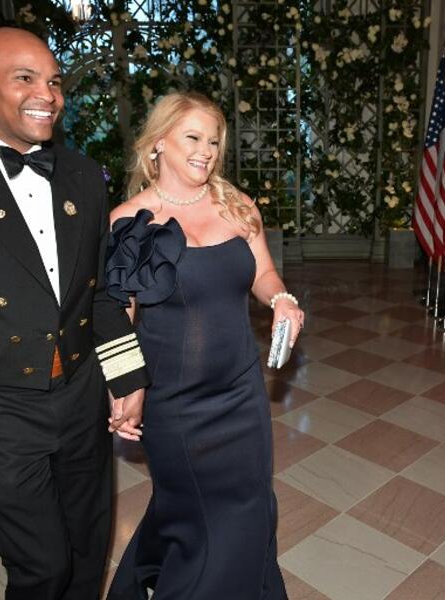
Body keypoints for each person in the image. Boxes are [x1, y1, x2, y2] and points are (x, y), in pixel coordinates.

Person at [0, 28, 150, 599]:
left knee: (88, 552)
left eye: (55, 80)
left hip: (81, 395)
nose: (48, 94)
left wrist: (127, 375)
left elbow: (101, 293)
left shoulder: (85, 175)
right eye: (26, 78)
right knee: (42, 567)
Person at [105, 91, 301, 599]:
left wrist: (281, 298)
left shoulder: (236, 205)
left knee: (248, 502)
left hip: (240, 393)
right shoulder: (130, 219)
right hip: (172, 402)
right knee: (199, 514)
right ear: (158, 144)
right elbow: (117, 316)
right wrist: (123, 390)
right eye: (193, 137)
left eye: (214, 141)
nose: (206, 151)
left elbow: (262, 272)